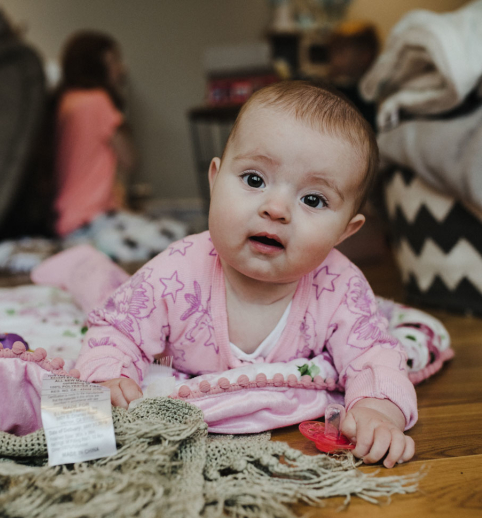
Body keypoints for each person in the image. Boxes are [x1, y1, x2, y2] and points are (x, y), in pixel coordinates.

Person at [40, 81, 417, 468]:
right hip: (150, 311)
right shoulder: (178, 269)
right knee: (109, 294)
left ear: (344, 232)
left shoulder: (341, 286)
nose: (276, 209)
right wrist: (109, 376)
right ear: (215, 180)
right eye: (255, 180)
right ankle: (82, 264)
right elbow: (116, 330)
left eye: (313, 200)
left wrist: (379, 411)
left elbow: (373, 355)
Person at [53, 30, 135, 238]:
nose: (121, 69)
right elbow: (129, 159)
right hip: (96, 218)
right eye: (115, 61)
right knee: (179, 238)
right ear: (98, 66)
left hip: (64, 219)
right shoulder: (98, 101)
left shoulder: (63, 101)